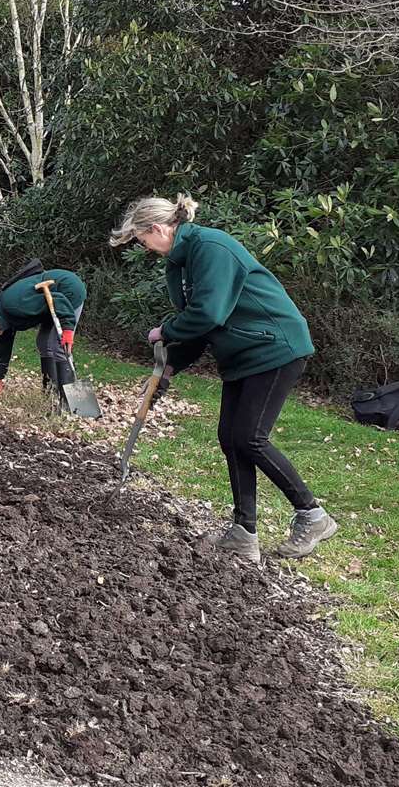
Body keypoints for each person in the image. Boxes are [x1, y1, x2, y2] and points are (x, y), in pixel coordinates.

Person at [109, 193, 337, 562]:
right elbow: (200, 329)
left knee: (249, 437)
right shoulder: (179, 264)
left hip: (276, 347)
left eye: (141, 239)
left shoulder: (210, 248)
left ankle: (312, 515)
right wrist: (167, 368)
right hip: (242, 354)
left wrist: (164, 331)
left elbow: (208, 314)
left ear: (158, 228)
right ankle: (244, 532)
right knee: (231, 439)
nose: (145, 247)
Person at [0, 261, 86, 402]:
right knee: (43, 343)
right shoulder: (0, 316)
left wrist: (67, 330)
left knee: (56, 345)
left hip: (68, 291)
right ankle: (50, 394)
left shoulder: (15, 306)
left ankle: (68, 400)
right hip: (49, 302)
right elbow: (2, 348)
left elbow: (58, 300)